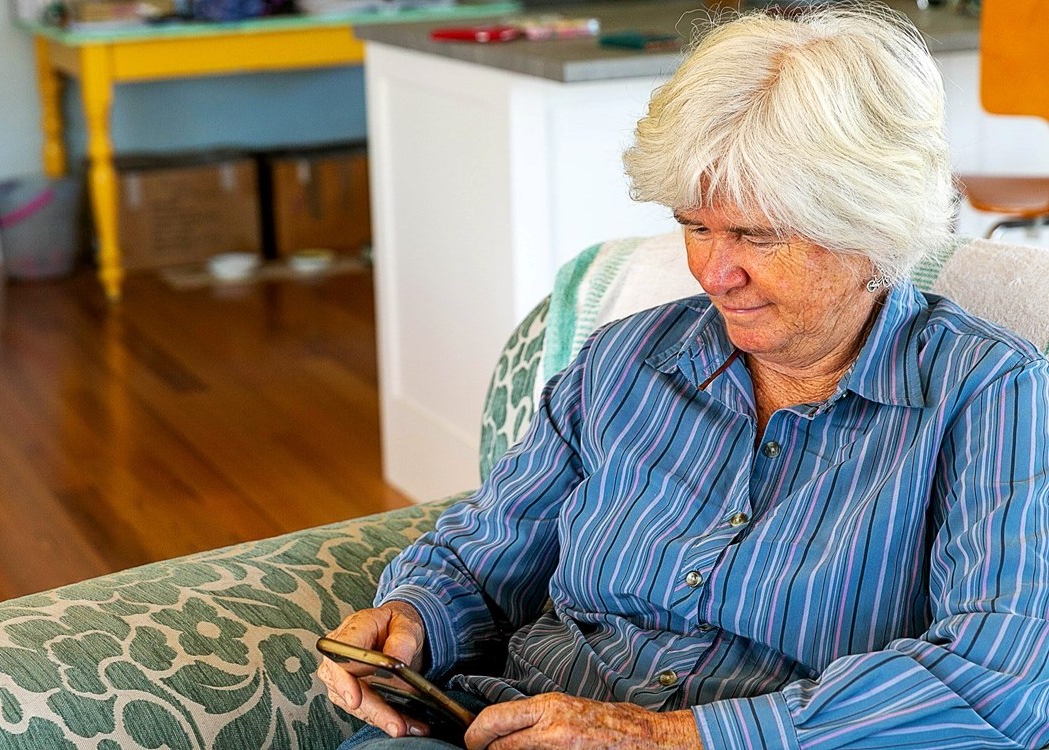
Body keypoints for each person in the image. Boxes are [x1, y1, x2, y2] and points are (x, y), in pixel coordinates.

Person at [318, 5, 1049, 749]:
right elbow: (483, 555)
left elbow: (995, 682)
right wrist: (412, 616)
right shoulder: (624, 361)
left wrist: (664, 736)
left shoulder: (990, 396)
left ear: (873, 229)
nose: (713, 272)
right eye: (696, 226)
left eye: (756, 236)